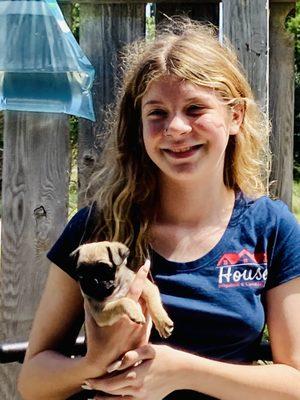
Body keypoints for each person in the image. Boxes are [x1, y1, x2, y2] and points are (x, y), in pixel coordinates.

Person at [18, 18, 300, 400]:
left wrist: (182, 371)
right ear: (139, 127)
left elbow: (295, 382)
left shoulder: (271, 227)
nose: (176, 128)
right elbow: (33, 382)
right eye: (157, 113)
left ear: (236, 117)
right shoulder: (97, 228)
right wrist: (92, 364)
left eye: (195, 108)